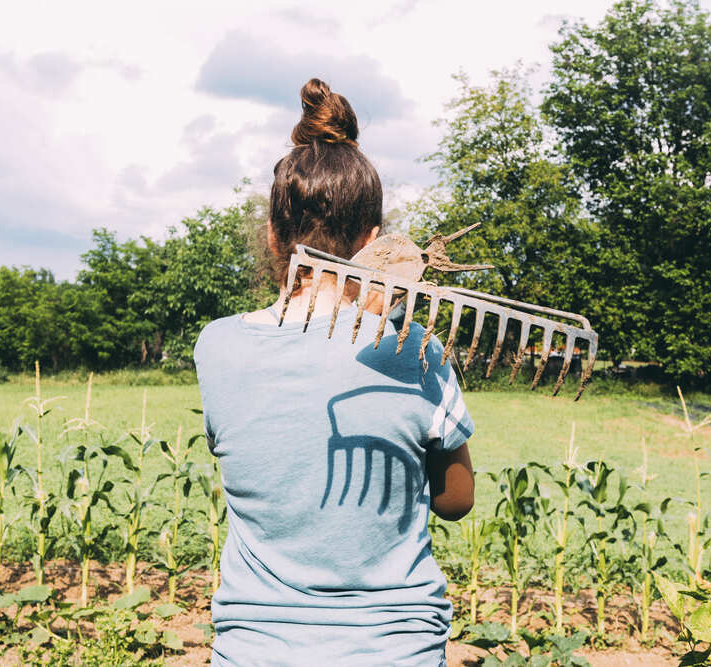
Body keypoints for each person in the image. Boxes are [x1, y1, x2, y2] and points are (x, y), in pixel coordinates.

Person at [194, 78, 475, 667]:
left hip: (255, 650)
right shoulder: (414, 350)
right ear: (374, 242)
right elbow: (456, 501)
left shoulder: (217, 347)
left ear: (273, 237)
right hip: (396, 648)